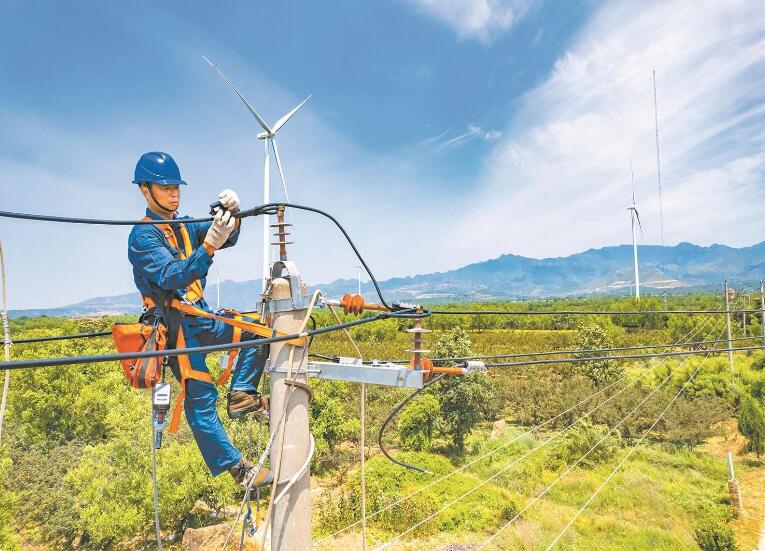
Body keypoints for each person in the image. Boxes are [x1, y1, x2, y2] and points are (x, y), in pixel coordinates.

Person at [127, 151, 269, 487]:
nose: (173, 192)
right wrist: (207, 248)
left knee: (258, 334)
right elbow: (172, 275)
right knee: (200, 399)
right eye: (165, 187)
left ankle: (242, 393)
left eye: (176, 186)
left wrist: (230, 214)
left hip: (201, 316)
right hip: (176, 329)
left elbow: (226, 233)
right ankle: (238, 469)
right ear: (145, 190)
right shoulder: (143, 237)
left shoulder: (185, 224)